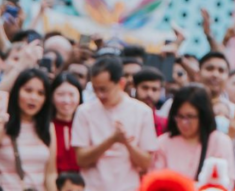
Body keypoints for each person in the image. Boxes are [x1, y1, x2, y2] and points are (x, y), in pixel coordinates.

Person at [72, 56, 157, 191]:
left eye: (104, 89)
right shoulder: (84, 112)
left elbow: (146, 162)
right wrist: (111, 140)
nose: (99, 95)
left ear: (121, 84)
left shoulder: (142, 112)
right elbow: (81, 159)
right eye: (95, 89)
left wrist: (127, 143)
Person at [0, 67, 58, 191]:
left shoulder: (48, 128)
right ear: (16, 92)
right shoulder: (1, 125)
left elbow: (50, 175)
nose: (34, 97)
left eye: (41, 93)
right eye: (28, 90)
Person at [152, 85, 235, 186]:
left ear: (203, 116)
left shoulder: (220, 141)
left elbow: (227, 182)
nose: (183, 122)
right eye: (180, 116)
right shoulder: (163, 142)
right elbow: (155, 181)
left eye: (190, 117)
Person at [52, 73, 83, 173]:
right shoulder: (45, 126)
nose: (66, 100)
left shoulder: (86, 125)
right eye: (60, 94)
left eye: (71, 94)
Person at [133, 67, 168, 135]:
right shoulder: (124, 117)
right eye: (145, 88)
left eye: (154, 89)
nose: (149, 94)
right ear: (135, 87)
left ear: (160, 91)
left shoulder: (165, 124)